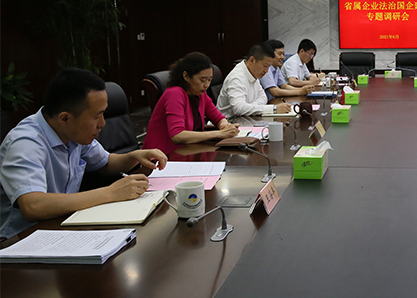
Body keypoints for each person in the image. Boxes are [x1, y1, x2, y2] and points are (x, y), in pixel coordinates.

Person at [0, 69, 167, 238]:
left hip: (63, 226)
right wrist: (111, 193)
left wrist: (134, 156)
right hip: (21, 240)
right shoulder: (25, 143)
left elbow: (106, 162)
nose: (102, 123)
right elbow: (33, 206)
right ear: (65, 119)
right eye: (97, 116)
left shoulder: (71, 133)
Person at [143, 52, 239, 154]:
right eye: (203, 80)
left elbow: (218, 118)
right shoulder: (174, 94)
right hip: (163, 156)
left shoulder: (200, 94)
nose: (206, 85)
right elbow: (177, 136)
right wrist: (219, 134)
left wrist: (224, 125)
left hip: (189, 151)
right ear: (186, 76)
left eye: (209, 80)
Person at [216, 43, 291, 117]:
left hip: (247, 118)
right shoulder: (236, 77)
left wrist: (250, 107)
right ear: (252, 60)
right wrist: (274, 109)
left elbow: (263, 98)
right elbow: (239, 108)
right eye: (265, 66)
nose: (266, 71)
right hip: (229, 121)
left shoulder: (252, 72)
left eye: (269, 67)